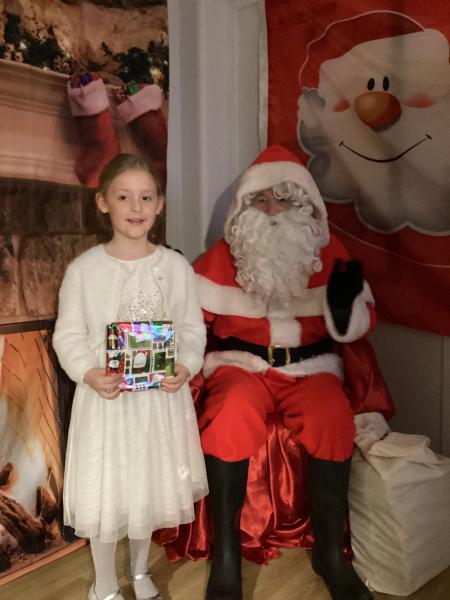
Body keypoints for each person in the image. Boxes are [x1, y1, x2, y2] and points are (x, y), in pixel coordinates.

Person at [193, 145, 377, 600]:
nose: (272, 209)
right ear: (243, 209)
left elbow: (360, 321)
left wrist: (343, 309)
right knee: (230, 413)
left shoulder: (331, 252)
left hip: (311, 368)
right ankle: (227, 559)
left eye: (283, 198)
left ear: (303, 203)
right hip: (242, 365)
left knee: (332, 417)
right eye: (260, 200)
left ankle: (330, 555)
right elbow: (189, 320)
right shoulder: (221, 256)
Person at [53, 154, 208, 600]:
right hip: (107, 403)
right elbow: (68, 334)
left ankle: (139, 572)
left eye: (145, 197)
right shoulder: (84, 270)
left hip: (158, 404)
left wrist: (185, 365)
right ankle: (103, 583)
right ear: (103, 202)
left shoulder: (175, 268)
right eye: (124, 197)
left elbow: (192, 329)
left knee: (145, 489)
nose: (135, 207)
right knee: (108, 493)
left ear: (160, 204)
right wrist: (88, 372)